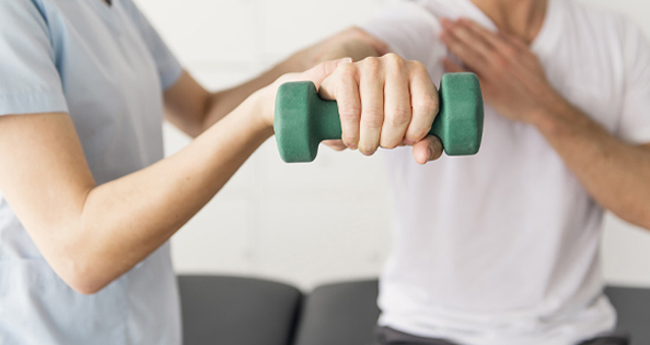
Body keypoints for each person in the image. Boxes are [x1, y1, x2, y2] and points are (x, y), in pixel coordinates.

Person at [0, 0, 442, 343]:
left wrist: (314, 58)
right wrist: (265, 112)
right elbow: (80, 251)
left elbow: (204, 113)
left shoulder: (112, 7)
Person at [307, 0, 650, 344]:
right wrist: (344, 75)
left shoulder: (618, 37)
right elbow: (357, 51)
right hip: (426, 328)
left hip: (577, 330)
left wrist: (543, 106)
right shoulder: (420, 21)